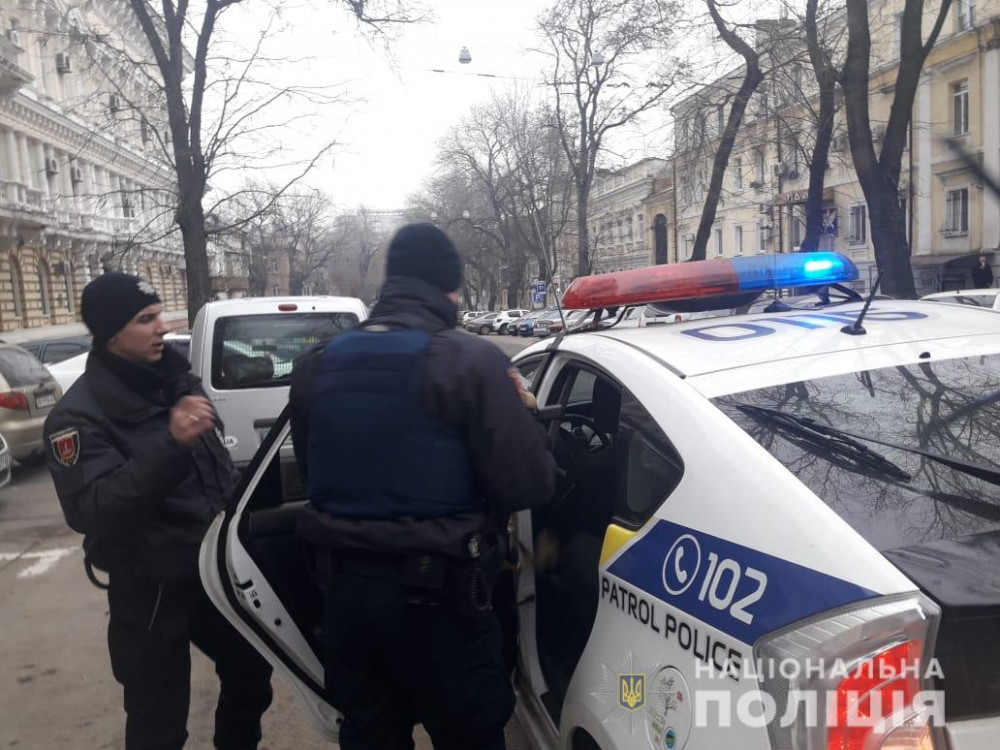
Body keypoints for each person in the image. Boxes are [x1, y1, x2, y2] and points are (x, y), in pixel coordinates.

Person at [288, 223, 556, 750]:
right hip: (440, 603)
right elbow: (528, 484)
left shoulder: (318, 365)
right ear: (451, 288)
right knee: (469, 735)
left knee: (370, 734)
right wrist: (528, 425)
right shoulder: (471, 362)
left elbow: (314, 469)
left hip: (345, 598)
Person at [44, 273, 273, 750]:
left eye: (159, 315)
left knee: (252, 672)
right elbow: (95, 509)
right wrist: (172, 443)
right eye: (146, 319)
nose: (163, 327)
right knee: (158, 723)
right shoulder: (77, 416)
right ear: (112, 333)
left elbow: (217, 472)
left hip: (213, 574)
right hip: (150, 587)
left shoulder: (176, 382)